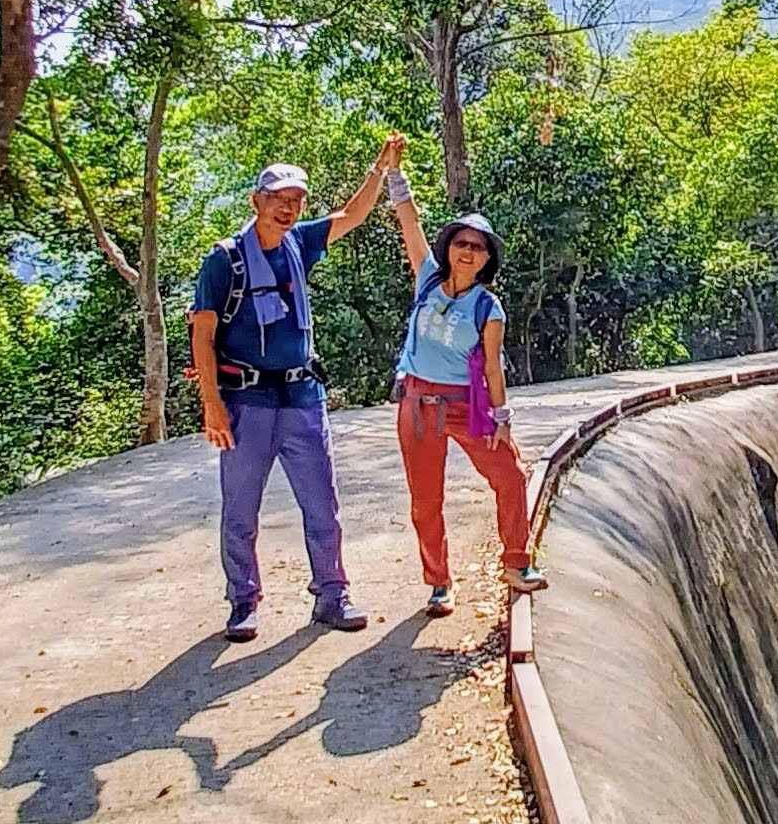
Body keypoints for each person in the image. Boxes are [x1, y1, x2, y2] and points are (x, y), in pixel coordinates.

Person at [192, 136, 405, 642]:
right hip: (246, 401)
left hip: (302, 395)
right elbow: (202, 334)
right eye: (277, 199)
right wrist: (212, 405)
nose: (287, 208)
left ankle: (332, 594)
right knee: (241, 508)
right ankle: (243, 601)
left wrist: (380, 168)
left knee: (322, 504)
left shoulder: (300, 243)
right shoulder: (224, 261)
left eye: (295, 200)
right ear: (256, 201)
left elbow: (351, 216)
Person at [383, 167, 545, 609]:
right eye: (462, 243)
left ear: (487, 258)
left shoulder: (488, 307)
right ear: (449, 248)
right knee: (425, 501)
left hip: (464, 405)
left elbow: (493, 367)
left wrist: (502, 419)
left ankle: (517, 562)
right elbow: (409, 222)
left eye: (478, 246)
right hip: (417, 404)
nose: (468, 251)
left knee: (510, 475)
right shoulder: (427, 280)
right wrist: (394, 173)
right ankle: (439, 582)